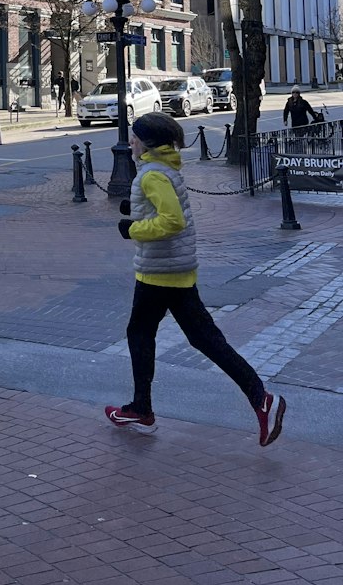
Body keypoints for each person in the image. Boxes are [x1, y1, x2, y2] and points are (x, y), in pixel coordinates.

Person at [106, 110, 285, 447]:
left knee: (141, 333)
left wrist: (132, 229)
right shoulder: (165, 169)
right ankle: (259, 397)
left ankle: (143, 410)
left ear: (146, 144)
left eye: (134, 136)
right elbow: (167, 207)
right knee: (203, 339)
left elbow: (172, 221)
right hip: (174, 270)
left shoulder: (151, 175)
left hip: (159, 273)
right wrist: (137, 208)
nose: (129, 141)